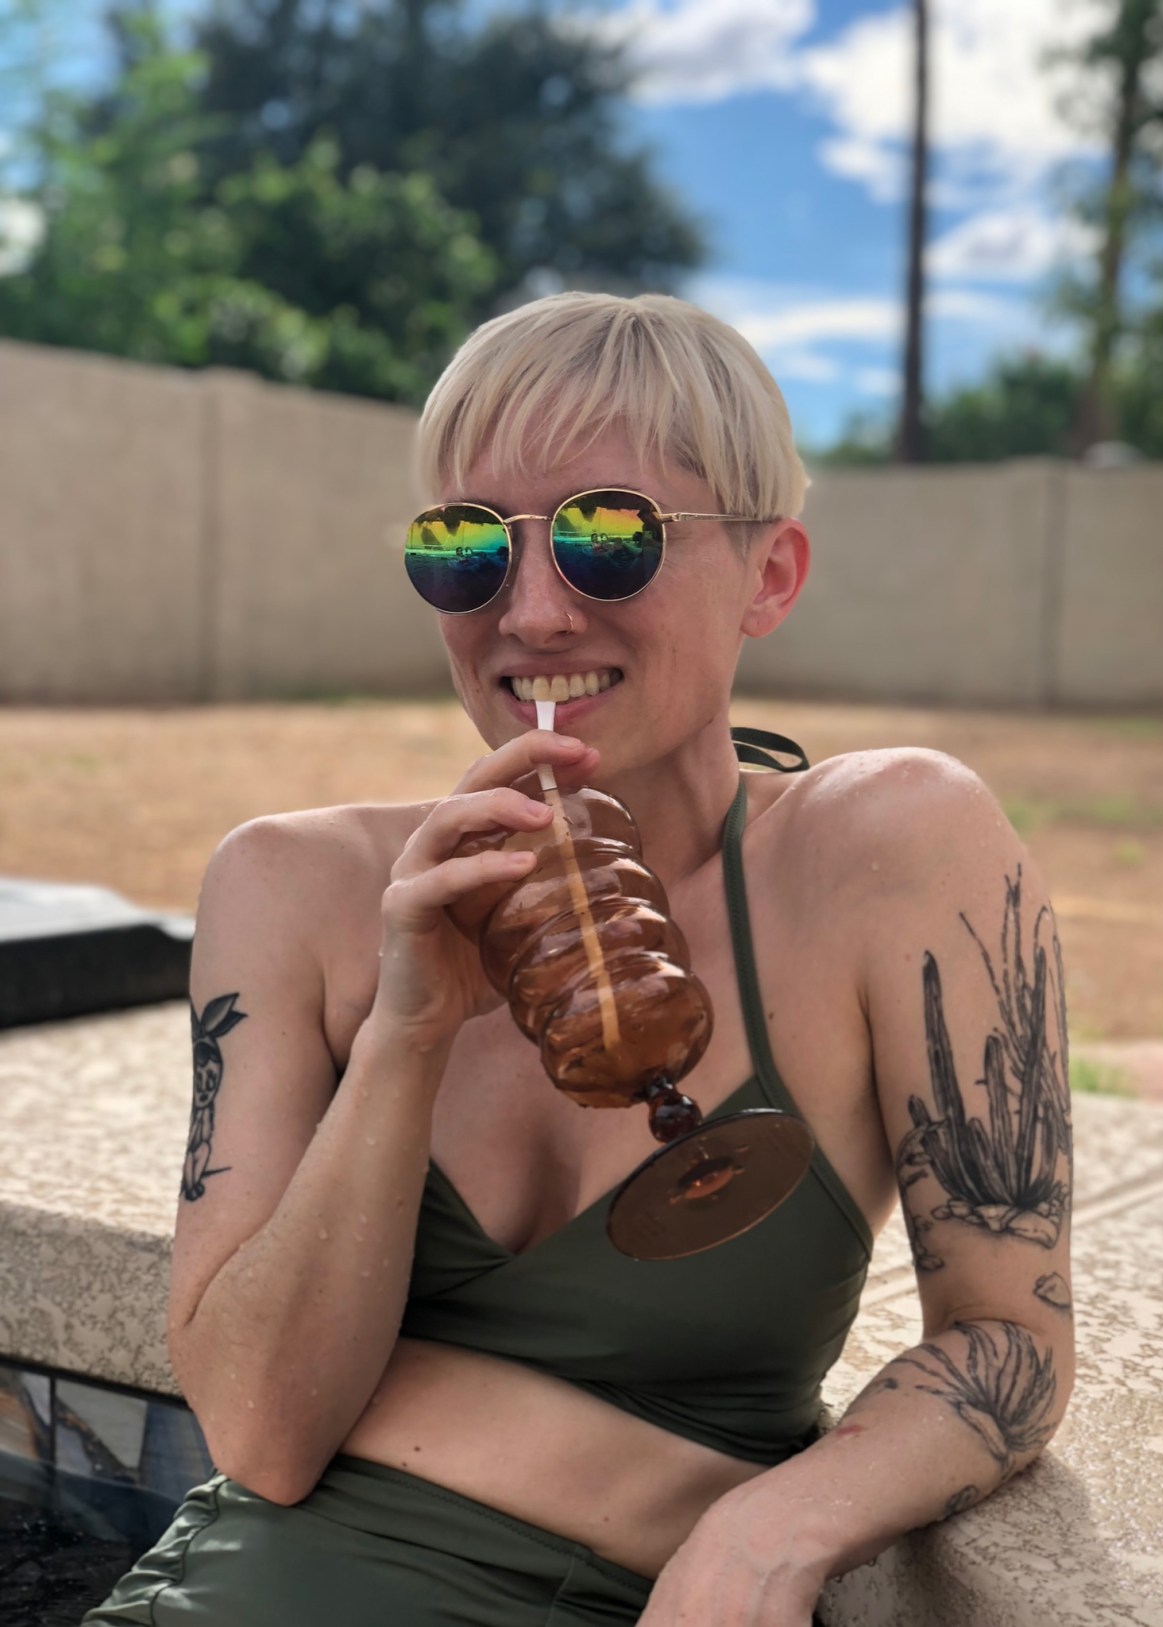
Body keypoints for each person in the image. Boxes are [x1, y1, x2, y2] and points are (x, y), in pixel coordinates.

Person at [83, 292, 1075, 1626]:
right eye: (467, 549)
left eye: (612, 538)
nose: (534, 610)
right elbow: (261, 1433)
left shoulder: (888, 848)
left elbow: (1009, 1333)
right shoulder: (295, 887)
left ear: (770, 576)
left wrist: (772, 1527)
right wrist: (406, 1036)